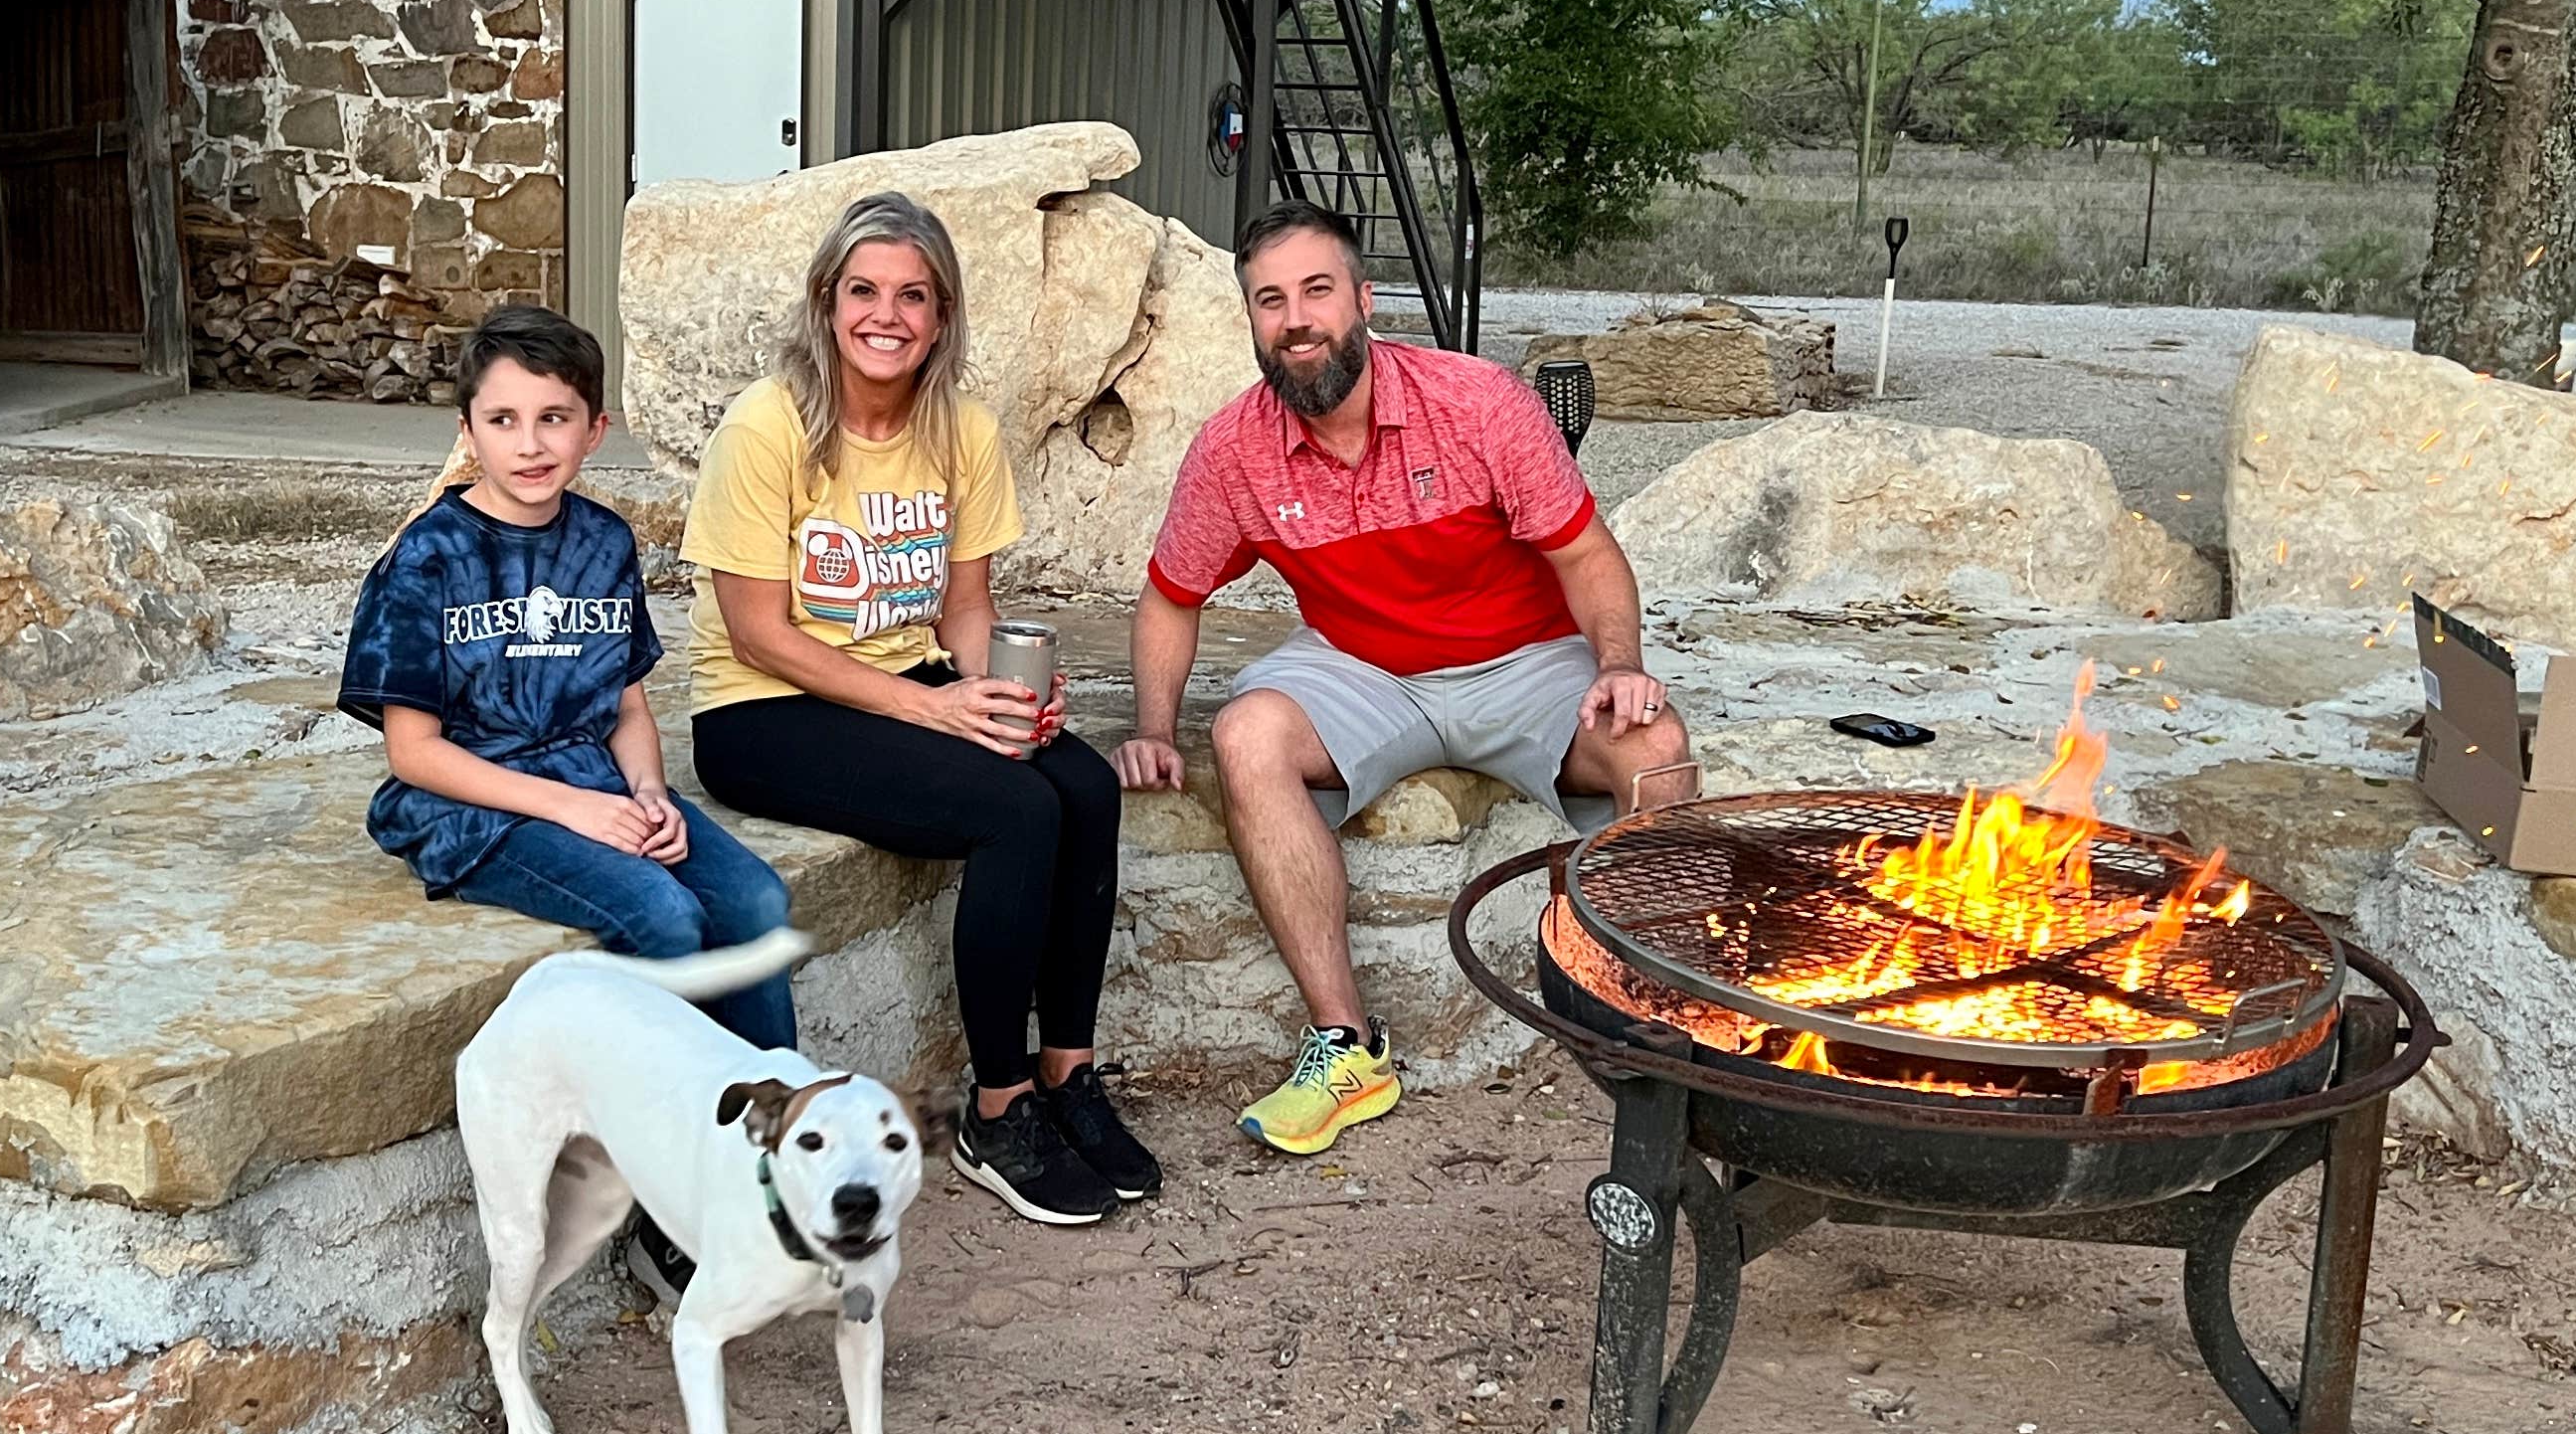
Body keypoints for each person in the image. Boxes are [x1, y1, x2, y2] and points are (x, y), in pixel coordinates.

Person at [1114, 202, 1694, 1156]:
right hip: (1362, 666)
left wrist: (1620, 666)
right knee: (1244, 734)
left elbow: (1586, 553)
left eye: (1315, 290)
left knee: (1657, 748)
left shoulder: (1477, 402)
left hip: (1524, 662)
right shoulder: (1233, 450)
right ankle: (1345, 1045)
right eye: (1270, 300)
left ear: (1361, 300)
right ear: (1251, 319)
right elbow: (1170, 595)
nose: (1296, 318)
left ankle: (1668, 1015)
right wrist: (1148, 723)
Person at [684, 190, 1159, 1230]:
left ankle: (1068, 1071)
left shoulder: (960, 431)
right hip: (763, 709)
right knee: (1015, 808)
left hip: (902, 679)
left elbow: (967, 613)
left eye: (913, 295)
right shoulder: (768, 425)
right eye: (863, 291)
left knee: (1077, 780)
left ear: (941, 315)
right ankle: (997, 1106)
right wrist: (936, 712)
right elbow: (759, 632)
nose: (885, 315)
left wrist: (1010, 691)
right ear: (826, 302)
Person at [342, 303, 799, 1293]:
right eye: (502, 420)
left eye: (554, 418)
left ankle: (768, 1159)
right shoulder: (427, 558)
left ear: (595, 429)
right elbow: (414, 754)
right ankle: (666, 1197)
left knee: (756, 903)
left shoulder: (603, 541)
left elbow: (628, 707)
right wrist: (574, 812)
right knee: (662, 917)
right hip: (479, 801)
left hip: (596, 780)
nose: (529, 442)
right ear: (466, 431)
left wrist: (645, 790)